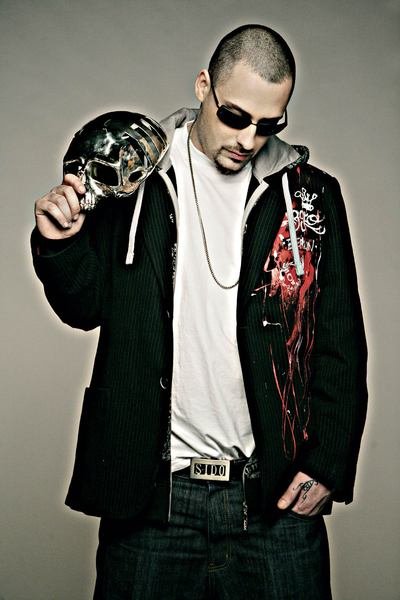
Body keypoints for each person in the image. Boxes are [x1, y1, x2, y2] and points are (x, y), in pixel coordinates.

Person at [32, 24, 367, 600]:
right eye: (235, 116)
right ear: (203, 86)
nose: (249, 139)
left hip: (272, 501)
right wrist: (60, 244)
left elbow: (339, 338)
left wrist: (328, 462)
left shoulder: (311, 196)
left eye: (269, 124)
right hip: (152, 499)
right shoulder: (134, 177)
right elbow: (84, 308)